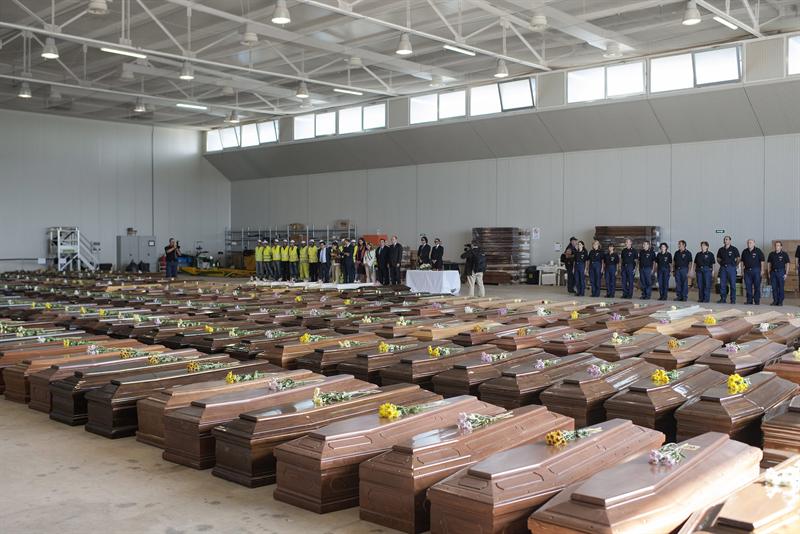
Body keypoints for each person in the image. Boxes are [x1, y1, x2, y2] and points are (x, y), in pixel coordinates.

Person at [716, 236, 740, 304]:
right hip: (723, 268)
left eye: (727, 239)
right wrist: (722, 264)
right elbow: (718, 259)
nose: (725, 241)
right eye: (724, 239)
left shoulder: (734, 249)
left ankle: (733, 300)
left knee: (732, 284)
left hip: (731, 268)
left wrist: (734, 265)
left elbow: (738, 258)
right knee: (722, 284)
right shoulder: (721, 249)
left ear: (730, 241)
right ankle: (723, 299)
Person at [741, 239, 765, 305]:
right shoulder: (744, 251)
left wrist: (762, 270)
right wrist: (742, 271)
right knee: (748, 286)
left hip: (756, 271)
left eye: (751, 243)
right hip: (747, 271)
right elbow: (742, 262)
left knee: (757, 286)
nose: (749, 244)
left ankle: (757, 300)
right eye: (748, 243)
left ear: (754, 243)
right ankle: (749, 300)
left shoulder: (758, 251)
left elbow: (762, 261)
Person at [768, 241, 791, 306]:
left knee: (781, 287)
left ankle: (780, 302)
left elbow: (788, 264)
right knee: (774, 287)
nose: (776, 247)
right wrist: (769, 273)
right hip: (773, 272)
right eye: (775, 245)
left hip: (781, 272)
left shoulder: (784, 254)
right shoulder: (771, 254)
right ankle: (775, 301)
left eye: (778, 245)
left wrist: (786, 274)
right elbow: (769, 263)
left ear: (781, 247)